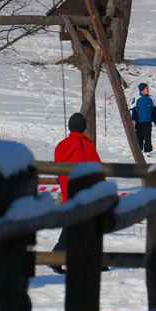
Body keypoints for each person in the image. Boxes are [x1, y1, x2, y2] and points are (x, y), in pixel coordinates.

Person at [51, 112, 102, 273]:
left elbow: (57, 167)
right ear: (84, 128)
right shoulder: (86, 146)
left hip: (68, 191)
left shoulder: (61, 145)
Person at [130, 82, 156, 153]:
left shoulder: (151, 98)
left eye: (148, 88)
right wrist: (133, 119)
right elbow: (133, 109)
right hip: (139, 121)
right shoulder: (137, 98)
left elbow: (154, 109)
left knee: (147, 136)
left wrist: (155, 119)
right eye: (147, 89)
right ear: (142, 90)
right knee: (139, 136)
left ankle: (148, 150)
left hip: (148, 121)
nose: (148, 90)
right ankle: (139, 150)